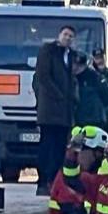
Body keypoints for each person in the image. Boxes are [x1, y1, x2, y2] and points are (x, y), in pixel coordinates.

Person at [33, 25, 78, 194]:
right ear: (59, 35)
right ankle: (43, 181)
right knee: (47, 146)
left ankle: (56, 182)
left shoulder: (71, 56)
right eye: (65, 34)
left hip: (65, 114)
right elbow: (43, 76)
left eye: (71, 36)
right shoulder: (48, 51)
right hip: (50, 112)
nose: (67, 38)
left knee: (60, 148)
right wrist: (59, 96)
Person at [74, 47, 108, 136]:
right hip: (78, 122)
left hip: (94, 121)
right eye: (97, 58)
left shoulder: (96, 77)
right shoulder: (72, 79)